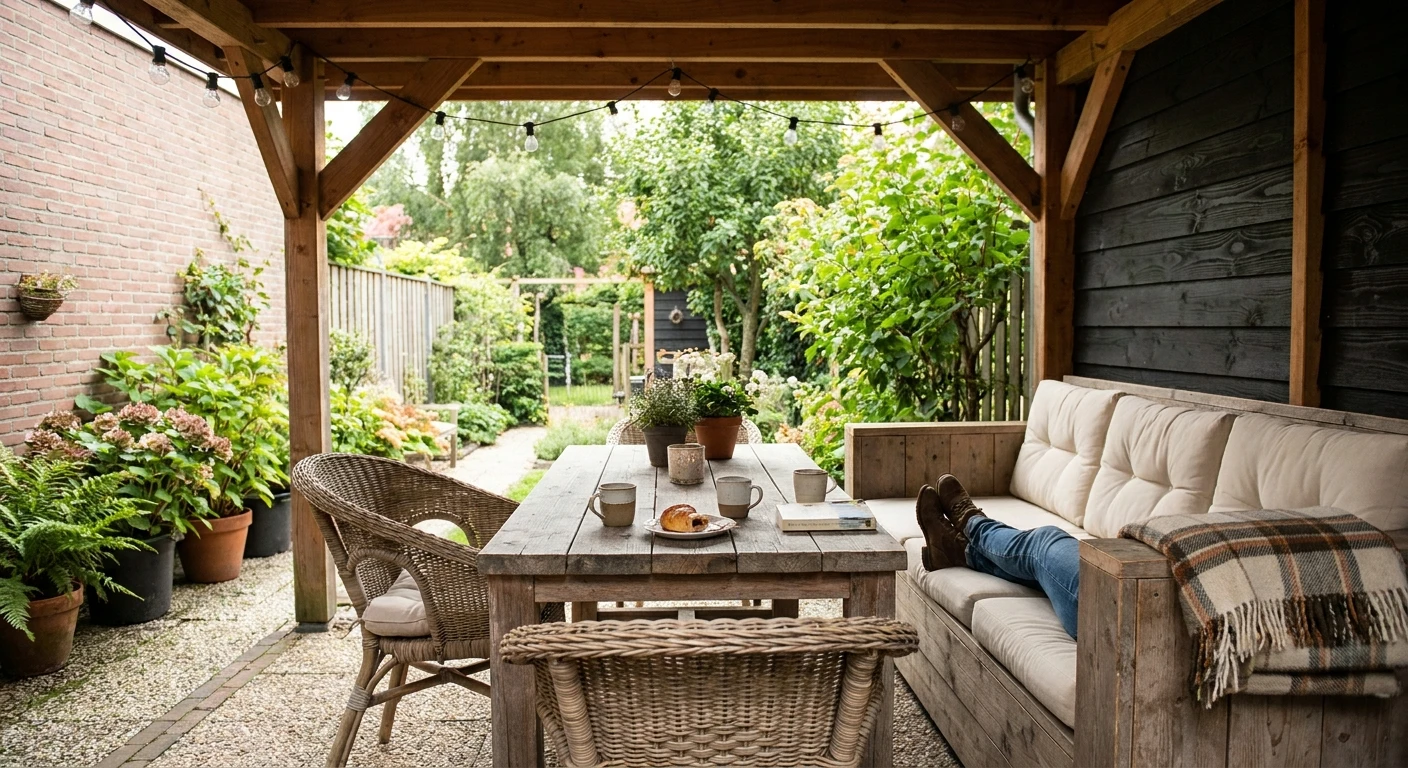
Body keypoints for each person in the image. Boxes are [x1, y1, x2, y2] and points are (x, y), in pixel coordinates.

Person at [916, 474, 1081, 639]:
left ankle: (973, 523)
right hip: (1098, 614)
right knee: (1045, 574)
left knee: (1045, 541)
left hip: (1098, 606)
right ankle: (959, 551)